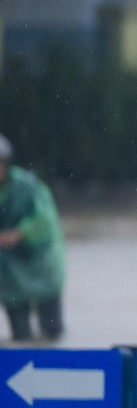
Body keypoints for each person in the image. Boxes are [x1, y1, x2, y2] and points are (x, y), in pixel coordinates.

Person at [0, 134, 65, 343]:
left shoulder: (27, 186)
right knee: (20, 338)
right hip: (8, 275)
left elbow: (46, 219)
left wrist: (19, 233)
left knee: (53, 333)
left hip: (41, 269)